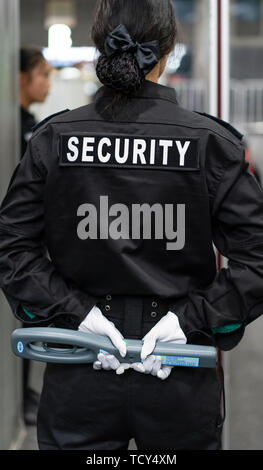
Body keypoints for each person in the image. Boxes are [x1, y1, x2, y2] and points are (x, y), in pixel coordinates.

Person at [0, 0, 263, 451]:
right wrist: (187, 322)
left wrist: (77, 314)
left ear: (102, 46)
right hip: (180, 369)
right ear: (169, 49)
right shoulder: (210, 144)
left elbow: (13, 248)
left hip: (78, 366)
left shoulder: (54, 139)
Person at [19, 47, 52, 425]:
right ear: (21, 78)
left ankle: (23, 388)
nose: (48, 82)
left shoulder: (32, 123)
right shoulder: (14, 124)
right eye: (42, 74)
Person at [20, 47, 52, 158]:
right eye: (45, 75)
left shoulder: (28, 121)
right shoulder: (11, 124)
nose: (49, 84)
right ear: (22, 78)